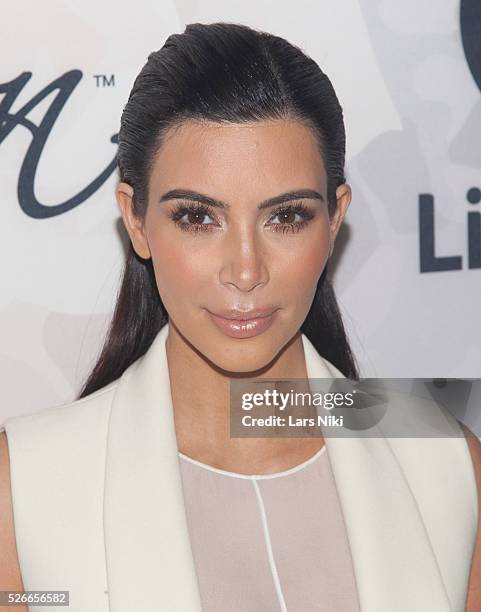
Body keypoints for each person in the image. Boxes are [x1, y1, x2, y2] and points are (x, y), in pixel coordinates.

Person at [1, 21, 481, 612]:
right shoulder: (26, 489)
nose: (246, 270)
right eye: (198, 218)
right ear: (136, 220)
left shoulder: (446, 465)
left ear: (334, 220)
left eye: (286, 218)